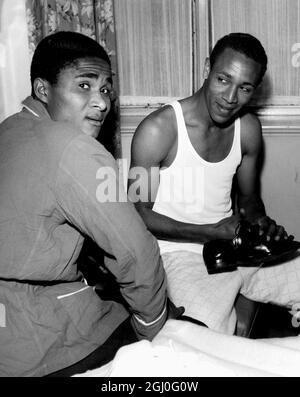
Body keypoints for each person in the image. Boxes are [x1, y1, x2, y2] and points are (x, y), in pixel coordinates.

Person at [0, 31, 183, 377]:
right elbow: (136, 253)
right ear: (43, 89)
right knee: (186, 337)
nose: (101, 102)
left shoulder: (8, 131)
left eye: (105, 90)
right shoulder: (75, 149)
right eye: (84, 85)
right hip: (39, 338)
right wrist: (157, 328)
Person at [128, 32, 300, 335]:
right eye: (223, 79)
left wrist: (261, 222)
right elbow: (137, 214)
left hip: (236, 248)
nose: (230, 98)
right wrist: (207, 232)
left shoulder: (247, 129)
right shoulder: (157, 130)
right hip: (179, 254)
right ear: (208, 68)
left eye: (244, 88)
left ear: (255, 89)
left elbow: (248, 199)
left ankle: (243, 296)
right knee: (206, 343)